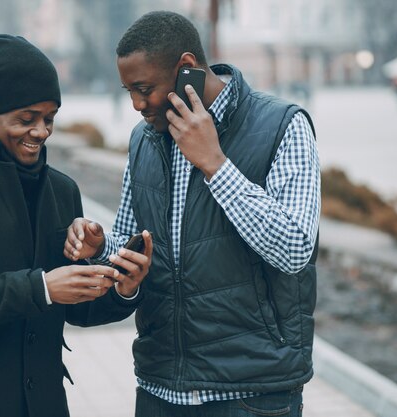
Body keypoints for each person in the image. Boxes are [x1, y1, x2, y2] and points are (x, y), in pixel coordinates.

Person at [65, 11, 320, 417]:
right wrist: (101, 245)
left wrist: (215, 164)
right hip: (159, 388)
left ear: (186, 68)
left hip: (251, 394)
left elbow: (294, 249)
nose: (135, 104)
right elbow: (134, 246)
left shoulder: (282, 125)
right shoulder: (144, 139)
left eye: (144, 88)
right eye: (128, 90)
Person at [0, 34, 151, 417]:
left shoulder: (63, 191)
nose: (41, 131)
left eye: (49, 118)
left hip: (43, 404)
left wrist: (123, 289)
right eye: (26, 119)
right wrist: (40, 288)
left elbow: (77, 308)